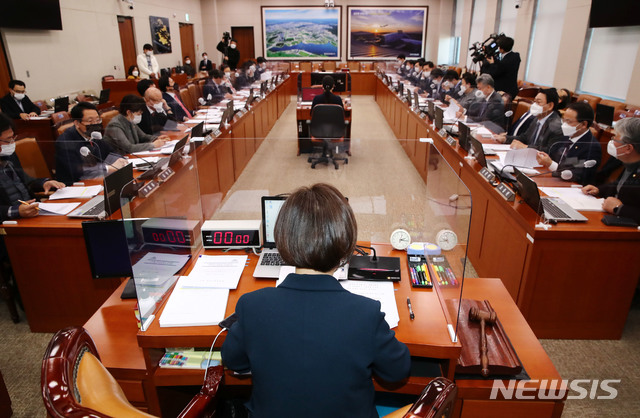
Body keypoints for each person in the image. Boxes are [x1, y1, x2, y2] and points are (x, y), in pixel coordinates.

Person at [221, 183, 411, 418]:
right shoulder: (366, 313)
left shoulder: (252, 305)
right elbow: (397, 371)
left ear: (283, 240)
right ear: (346, 246)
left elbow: (234, 361)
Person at [0, 114, 65, 222]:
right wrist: (16, 211)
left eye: (13, 138)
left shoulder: (8, 156)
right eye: (8, 140)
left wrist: (44, 183)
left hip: (32, 213)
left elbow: (26, 181)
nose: (12, 143)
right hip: (9, 225)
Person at [582, 117, 640, 222]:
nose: (611, 141)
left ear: (628, 148)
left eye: (615, 138)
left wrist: (619, 208)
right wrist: (599, 190)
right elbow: (619, 186)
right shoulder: (628, 162)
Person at [55, 102, 127, 185]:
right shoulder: (65, 141)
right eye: (90, 121)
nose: (95, 124)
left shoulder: (94, 135)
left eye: (97, 120)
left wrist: (120, 160)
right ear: (77, 123)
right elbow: (77, 170)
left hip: (98, 180)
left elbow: (110, 152)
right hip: (76, 186)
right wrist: (107, 168)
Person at [535, 102, 602, 185]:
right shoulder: (566, 136)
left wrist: (550, 164)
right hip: (552, 179)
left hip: (571, 187)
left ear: (584, 124)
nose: (564, 125)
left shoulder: (592, 147)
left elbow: (576, 175)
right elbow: (553, 155)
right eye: (564, 120)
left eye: (569, 121)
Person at [496, 88, 563, 153]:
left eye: (538, 102)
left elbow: (550, 151)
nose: (534, 105)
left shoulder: (557, 126)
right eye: (534, 101)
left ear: (550, 106)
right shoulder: (537, 118)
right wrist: (505, 139)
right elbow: (525, 137)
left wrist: (526, 147)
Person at [103, 95, 168, 155]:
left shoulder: (130, 120)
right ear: (128, 112)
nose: (140, 116)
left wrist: (156, 138)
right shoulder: (114, 126)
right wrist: (153, 145)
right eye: (139, 113)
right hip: (119, 160)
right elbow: (129, 148)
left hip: (131, 156)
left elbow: (143, 137)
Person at [481, 35, 520, 101]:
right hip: (512, 89)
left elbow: (494, 73)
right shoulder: (515, 56)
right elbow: (501, 66)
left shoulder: (505, 62)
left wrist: (491, 63)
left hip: (504, 91)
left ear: (501, 48)